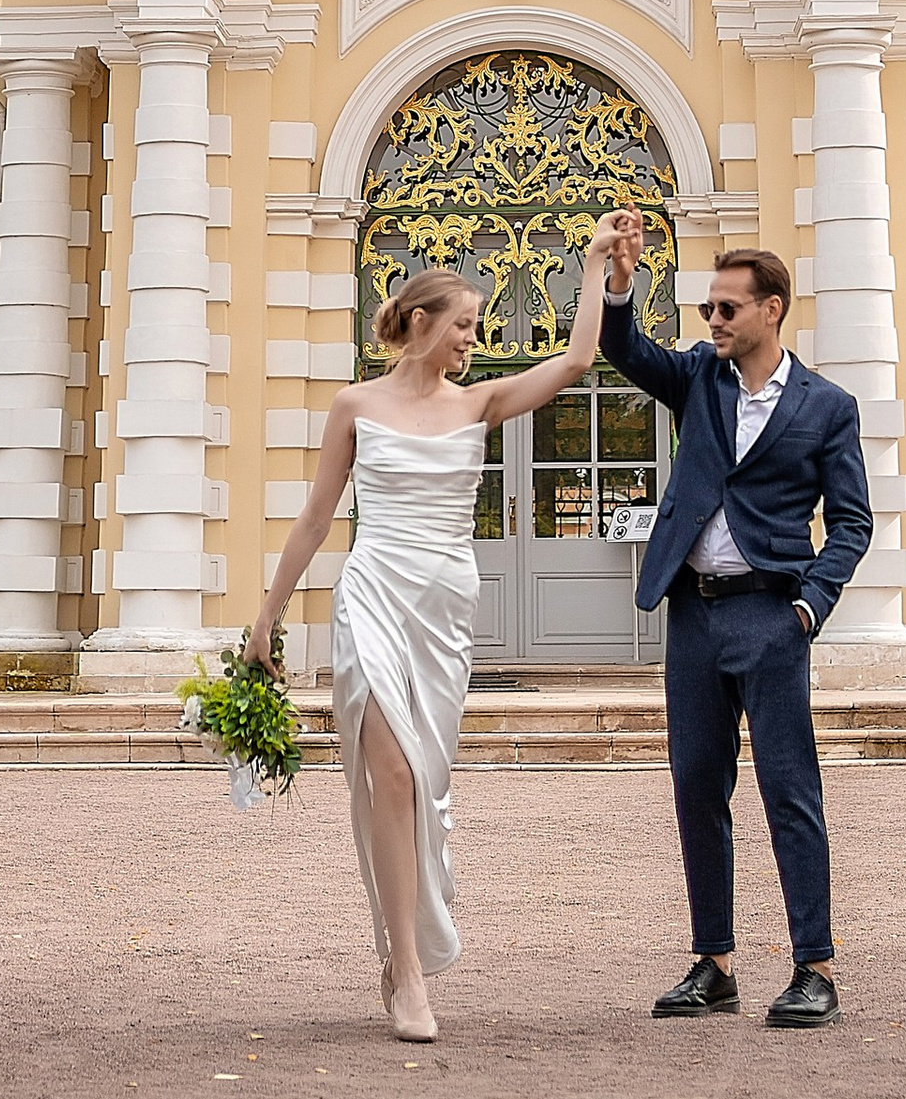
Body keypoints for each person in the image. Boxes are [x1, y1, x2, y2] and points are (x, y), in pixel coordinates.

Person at [248, 211, 647, 1044]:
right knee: (387, 773)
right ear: (422, 324)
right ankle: (409, 975)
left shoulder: (480, 403)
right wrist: (265, 620)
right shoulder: (353, 406)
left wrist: (592, 264)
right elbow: (317, 520)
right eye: (465, 325)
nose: (474, 339)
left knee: (425, 783)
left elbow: (578, 358)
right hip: (374, 593)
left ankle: (402, 954)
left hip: (443, 606)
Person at [601, 239, 872, 1028]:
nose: (712, 320)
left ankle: (813, 967)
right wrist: (621, 286)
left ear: (770, 310)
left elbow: (852, 525)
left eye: (726, 308)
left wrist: (807, 609)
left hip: (770, 614)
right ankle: (713, 963)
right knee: (696, 788)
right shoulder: (696, 378)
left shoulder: (827, 407)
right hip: (692, 612)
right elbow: (627, 351)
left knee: (790, 792)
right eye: (706, 308)